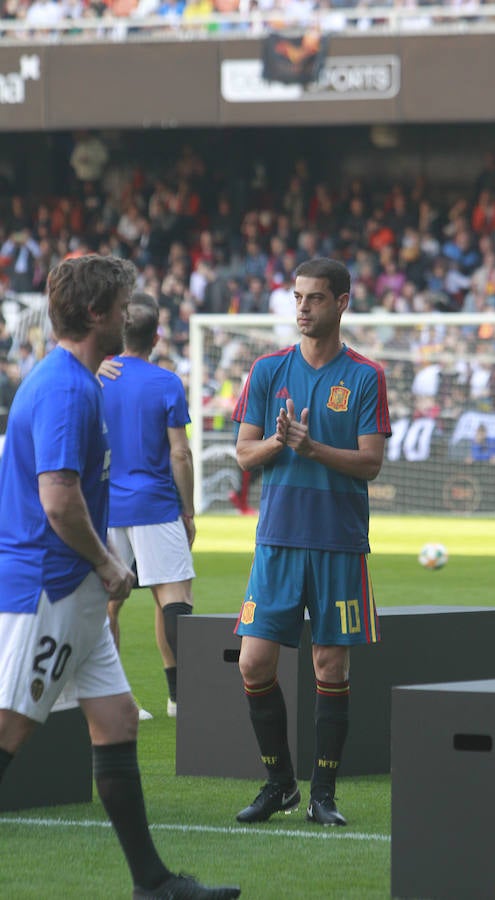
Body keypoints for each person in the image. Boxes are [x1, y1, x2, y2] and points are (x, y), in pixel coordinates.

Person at [0, 255, 240, 900]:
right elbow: (57, 497)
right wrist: (110, 564)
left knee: (117, 722)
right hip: (48, 588)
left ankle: (153, 884)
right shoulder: (65, 388)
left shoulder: (80, 380)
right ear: (98, 314)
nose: (131, 310)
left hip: (73, 591)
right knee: (10, 731)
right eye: (123, 301)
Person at [232, 257, 391, 827]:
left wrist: (312, 446)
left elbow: (370, 464)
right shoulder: (268, 370)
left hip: (338, 541)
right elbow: (244, 453)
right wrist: (280, 443)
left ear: (342, 303)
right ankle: (279, 784)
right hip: (276, 539)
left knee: (331, 664)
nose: (303, 307)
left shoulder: (365, 376)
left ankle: (323, 794)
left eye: (315, 298)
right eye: (298, 297)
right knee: (253, 661)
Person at [99, 292, 196, 720]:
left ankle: (116, 701)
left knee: (106, 605)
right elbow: (180, 453)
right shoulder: (166, 381)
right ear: (157, 335)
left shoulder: (94, 377)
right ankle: (182, 697)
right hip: (156, 504)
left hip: (105, 508)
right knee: (173, 598)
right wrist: (188, 511)